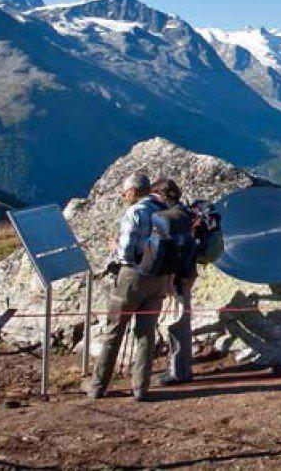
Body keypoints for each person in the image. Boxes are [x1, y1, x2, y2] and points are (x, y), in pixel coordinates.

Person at [83, 172, 170, 402]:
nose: (123, 195)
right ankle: (140, 387)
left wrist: (114, 246)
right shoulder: (163, 208)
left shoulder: (135, 212)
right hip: (159, 277)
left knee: (115, 330)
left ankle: (98, 385)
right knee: (146, 333)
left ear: (133, 191)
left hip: (132, 277)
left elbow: (125, 252)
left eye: (124, 192)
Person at [150, 178, 196, 386]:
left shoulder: (168, 218)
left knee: (175, 323)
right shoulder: (186, 213)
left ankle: (178, 372)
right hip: (187, 273)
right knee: (182, 320)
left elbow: (169, 251)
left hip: (175, 277)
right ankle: (183, 368)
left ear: (161, 195)